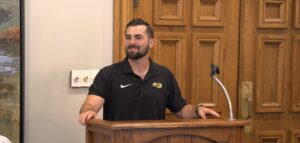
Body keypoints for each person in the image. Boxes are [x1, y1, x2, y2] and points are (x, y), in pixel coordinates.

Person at [79, 18, 220, 125]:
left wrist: (197, 110)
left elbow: (181, 110)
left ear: (151, 42)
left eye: (138, 37)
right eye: (128, 37)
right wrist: (88, 111)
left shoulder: (164, 75)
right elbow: (90, 104)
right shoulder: (108, 74)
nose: (132, 42)